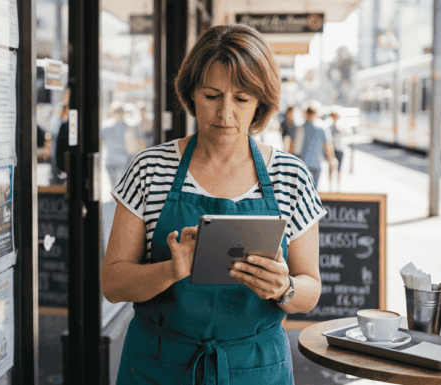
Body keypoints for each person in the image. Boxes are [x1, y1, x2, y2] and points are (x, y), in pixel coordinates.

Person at [102, 24, 324, 384]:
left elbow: (310, 289)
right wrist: (170, 271)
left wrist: (285, 288)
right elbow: (112, 283)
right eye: (211, 96)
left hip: (255, 368)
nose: (225, 114)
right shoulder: (150, 169)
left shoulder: (291, 176)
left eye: (241, 99)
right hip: (159, 366)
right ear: (191, 93)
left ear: (261, 103)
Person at [297, 105, 337, 188]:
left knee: (304, 189)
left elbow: (293, 145)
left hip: (304, 163)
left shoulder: (300, 126)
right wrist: (331, 159)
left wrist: (331, 159)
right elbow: (328, 145)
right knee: (314, 189)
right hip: (315, 163)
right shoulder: (322, 126)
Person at [327, 112, 348, 191]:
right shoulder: (329, 126)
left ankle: (338, 187)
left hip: (340, 148)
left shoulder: (341, 125)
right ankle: (330, 187)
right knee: (330, 168)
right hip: (332, 149)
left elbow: (346, 133)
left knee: (339, 169)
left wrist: (338, 128)